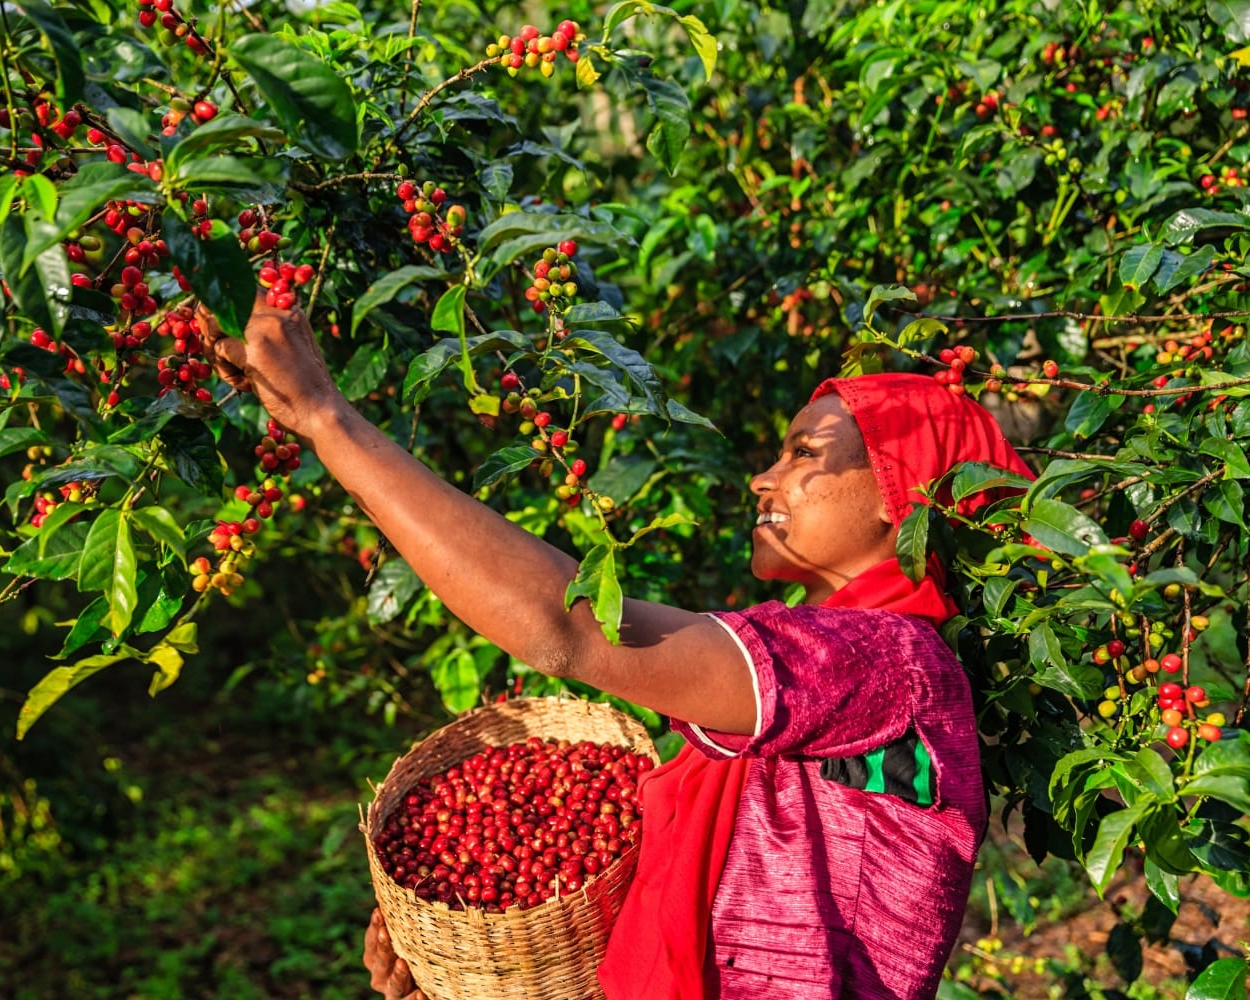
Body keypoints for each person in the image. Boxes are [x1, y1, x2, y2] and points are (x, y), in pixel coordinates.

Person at [199, 294, 1034, 1000]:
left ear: (904, 495)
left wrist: (328, 420)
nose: (763, 477)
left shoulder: (886, 659)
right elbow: (698, 917)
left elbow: (567, 628)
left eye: (805, 453)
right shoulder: (828, 665)